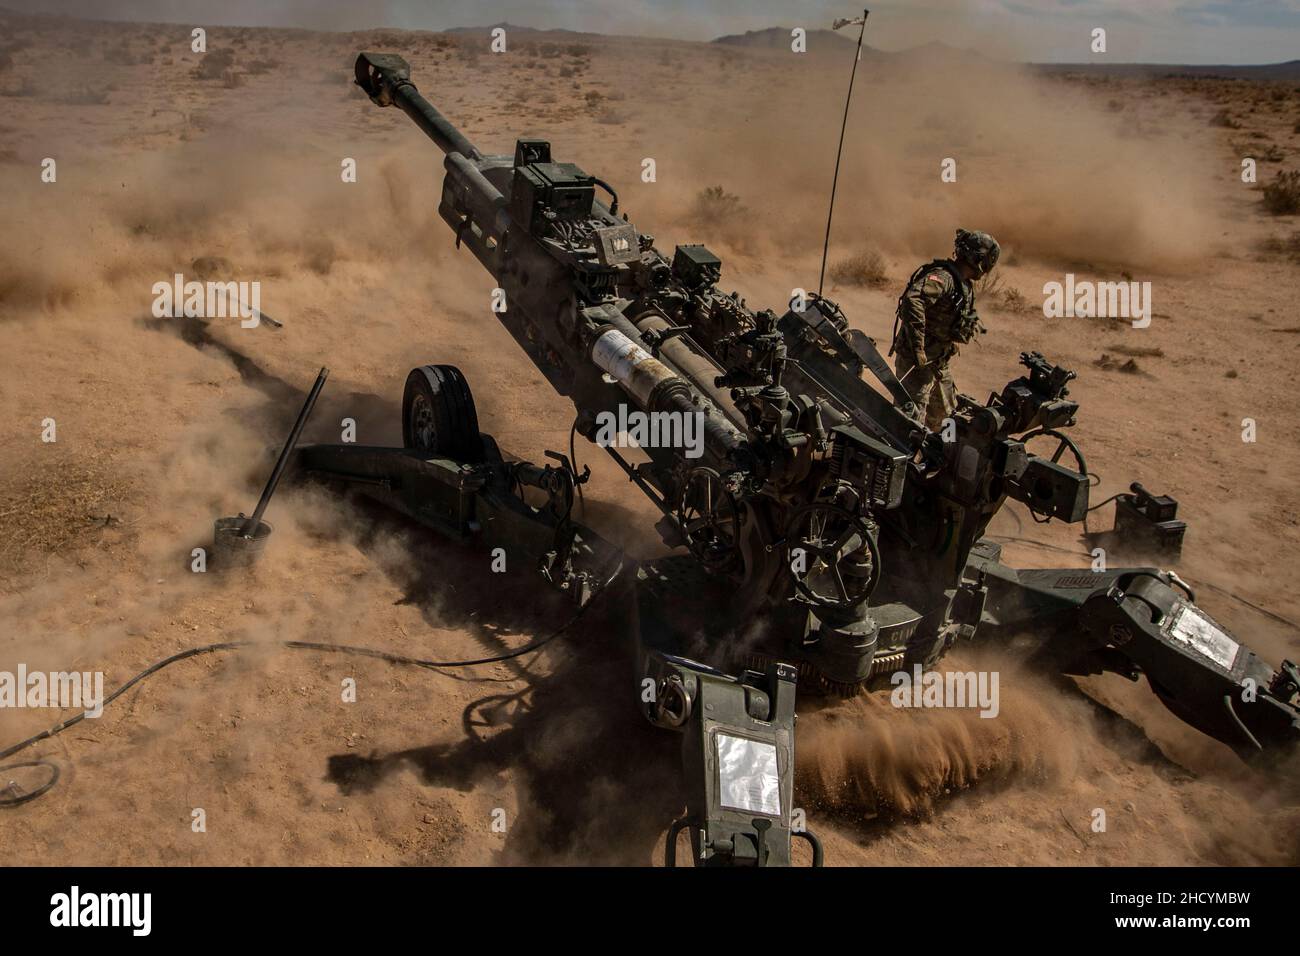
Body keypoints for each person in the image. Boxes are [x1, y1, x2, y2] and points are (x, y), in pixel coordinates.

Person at [891, 229, 1000, 430]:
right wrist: (918, 348)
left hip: (938, 363)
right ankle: (900, 457)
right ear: (978, 258)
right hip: (918, 363)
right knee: (909, 422)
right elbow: (913, 300)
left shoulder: (963, 283)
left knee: (945, 418)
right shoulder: (944, 277)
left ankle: (936, 457)